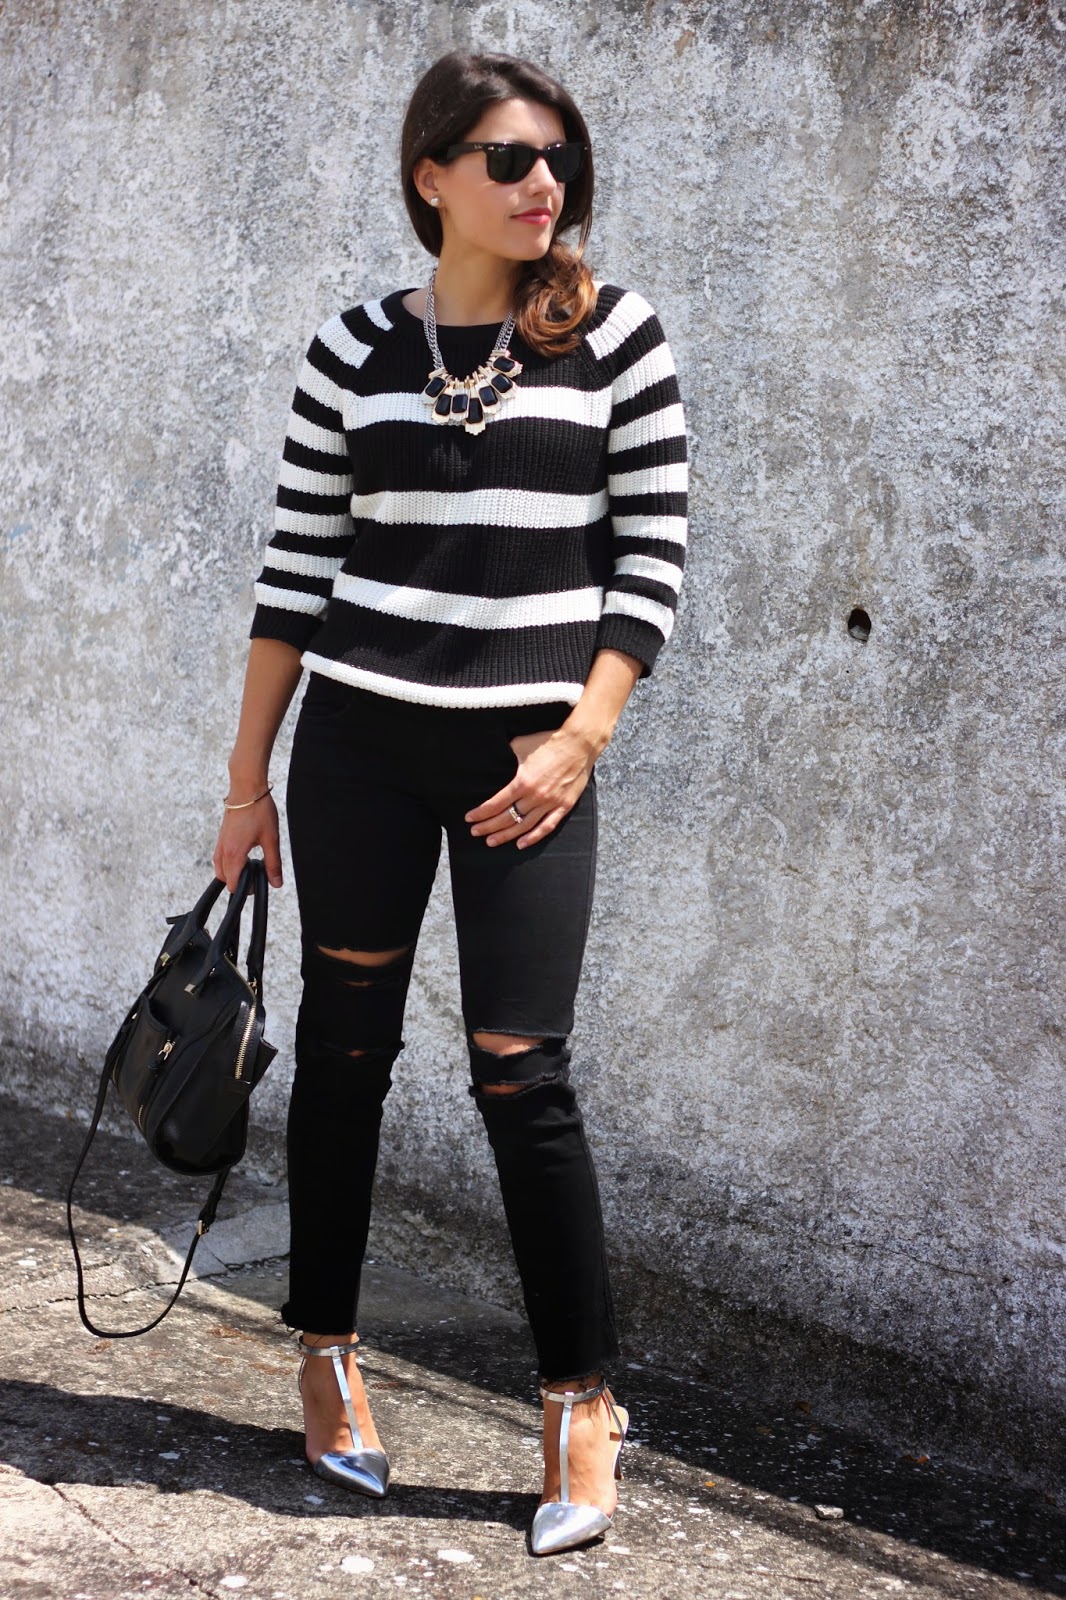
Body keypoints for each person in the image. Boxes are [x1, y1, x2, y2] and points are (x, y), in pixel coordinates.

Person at [212, 49, 688, 1558]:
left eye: (557, 156)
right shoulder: (351, 350)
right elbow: (295, 575)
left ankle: (578, 1399)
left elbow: (651, 563)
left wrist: (581, 738)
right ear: (432, 177)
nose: (543, 181)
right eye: (507, 157)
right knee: (343, 1055)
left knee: (521, 1074)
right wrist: (245, 785)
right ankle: (326, 1357)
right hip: (356, 746)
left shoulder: (614, 340)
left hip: (527, 765)